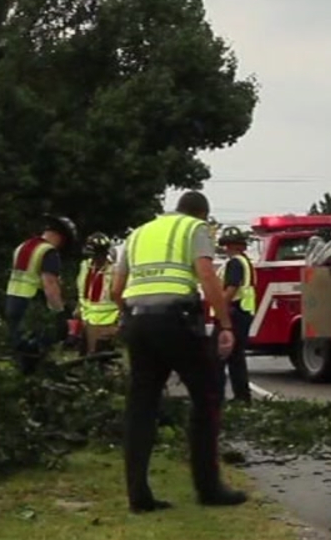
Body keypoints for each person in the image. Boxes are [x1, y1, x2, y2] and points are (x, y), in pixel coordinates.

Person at [110, 191, 247, 513]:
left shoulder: (138, 233)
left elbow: (116, 289)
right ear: (202, 214)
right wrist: (225, 325)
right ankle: (208, 487)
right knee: (207, 395)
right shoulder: (194, 229)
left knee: (141, 404)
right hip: (175, 319)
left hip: (138, 321)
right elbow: (206, 274)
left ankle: (138, 496)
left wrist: (130, 316)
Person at [4, 215, 77, 369]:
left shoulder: (23, 246)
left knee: (18, 345)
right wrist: (60, 312)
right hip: (31, 303)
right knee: (37, 346)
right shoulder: (48, 252)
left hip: (12, 300)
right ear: (61, 237)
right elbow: (49, 285)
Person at [218, 228, 256, 403]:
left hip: (233, 313)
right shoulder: (245, 262)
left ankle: (217, 396)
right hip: (243, 312)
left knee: (219, 355)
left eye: (226, 244)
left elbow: (231, 289)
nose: (225, 248)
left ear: (233, 245)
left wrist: (220, 310)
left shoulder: (234, 263)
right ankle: (241, 396)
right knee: (235, 357)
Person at [76, 232, 120, 355]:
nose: (94, 259)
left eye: (97, 255)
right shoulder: (85, 266)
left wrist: (118, 323)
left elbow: (119, 294)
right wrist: (78, 308)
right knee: (85, 355)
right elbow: (81, 290)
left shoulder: (113, 271)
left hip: (107, 321)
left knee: (101, 356)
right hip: (86, 318)